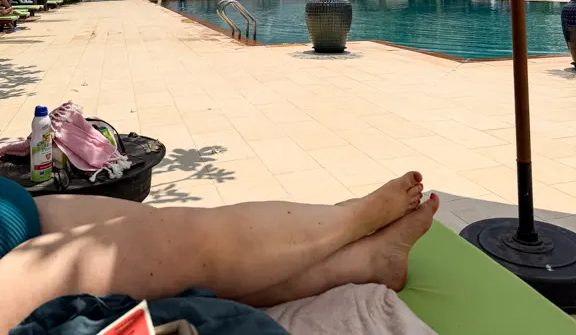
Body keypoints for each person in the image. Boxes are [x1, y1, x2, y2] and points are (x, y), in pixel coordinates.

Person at [0, 172, 438, 331]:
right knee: (196, 243)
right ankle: (352, 222)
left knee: (173, 256)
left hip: (16, 212)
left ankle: (365, 260)